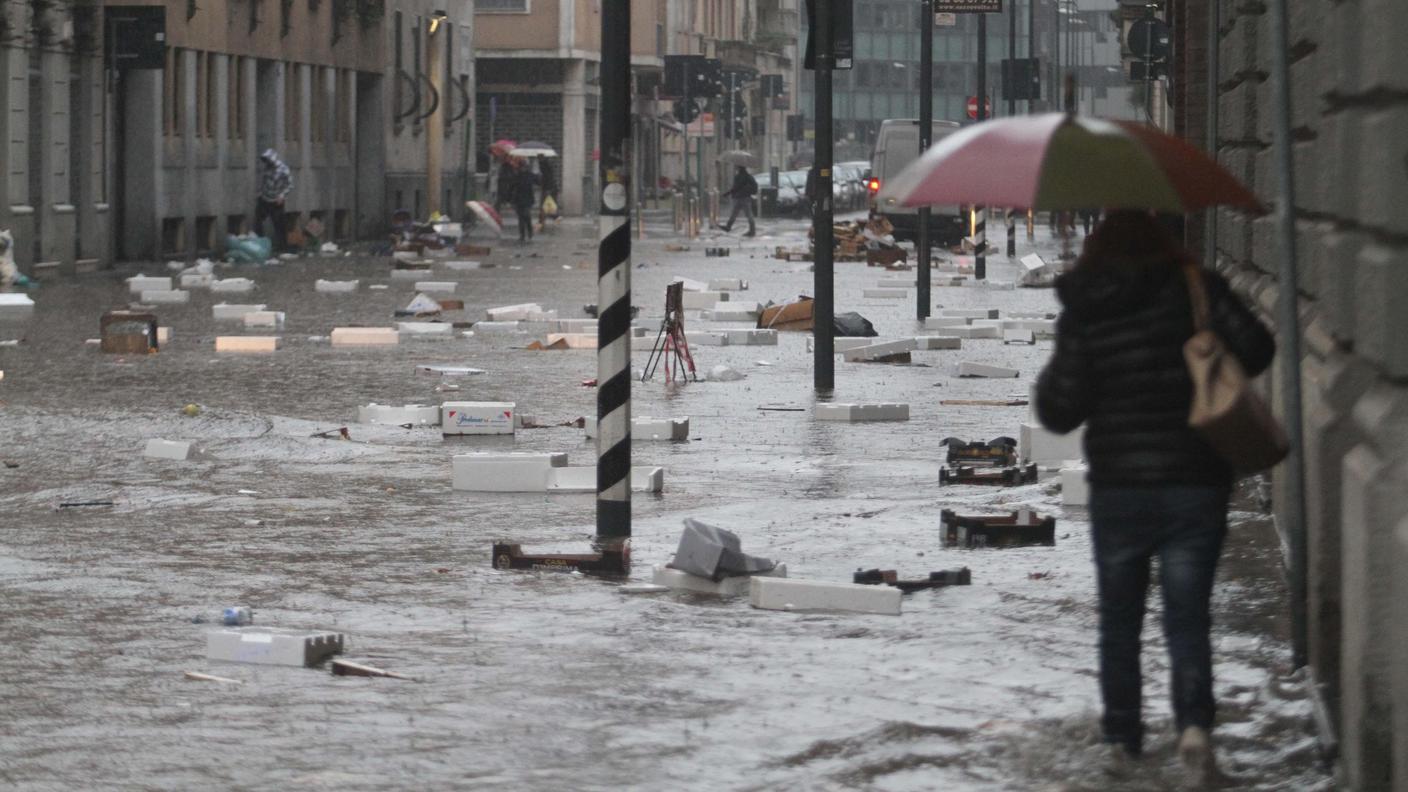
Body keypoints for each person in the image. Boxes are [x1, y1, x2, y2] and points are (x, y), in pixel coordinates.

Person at [1034, 210, 1275, 783]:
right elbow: (1259, 350)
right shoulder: (1197, 288)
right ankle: (1194, 728)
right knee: (1187, 616)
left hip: (1119, 489)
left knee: (1120, 619)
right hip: (1196, 481)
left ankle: (1122, 743)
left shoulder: (1086, 307)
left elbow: (1060, 409)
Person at [256, 149, 293, 251]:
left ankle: (283, 247)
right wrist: (260, 192)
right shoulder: (267, 168)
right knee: (257, 220)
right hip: (264, 198)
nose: (267, 163)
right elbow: (264, 181)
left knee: (279, 225)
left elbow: (290, 185)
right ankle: (259, 243)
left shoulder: (283, 169)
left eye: (268, 160)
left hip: (276, 201)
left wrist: (282, 195)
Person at [718, 165, 758, 236]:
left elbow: (735, 188)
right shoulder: (748, 176)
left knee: (737, 213)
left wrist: (727, 194)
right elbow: (754, 186)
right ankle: (751, 230)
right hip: (746, 197)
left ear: (739, 168)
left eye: (737, 167)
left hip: (739, 197)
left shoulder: (738, 176)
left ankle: (729, 226)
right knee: (746, 214)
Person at [508, 161, 538, 242]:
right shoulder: (517, 176)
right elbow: (512, 187)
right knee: (521, 218)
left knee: (526, 216)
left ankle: (529, 231)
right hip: (519, 199)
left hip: (527, 199)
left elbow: (537, 182)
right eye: (522, 167)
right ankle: (522, 235)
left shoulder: (530, 175)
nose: (523, 169)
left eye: (524, 167)